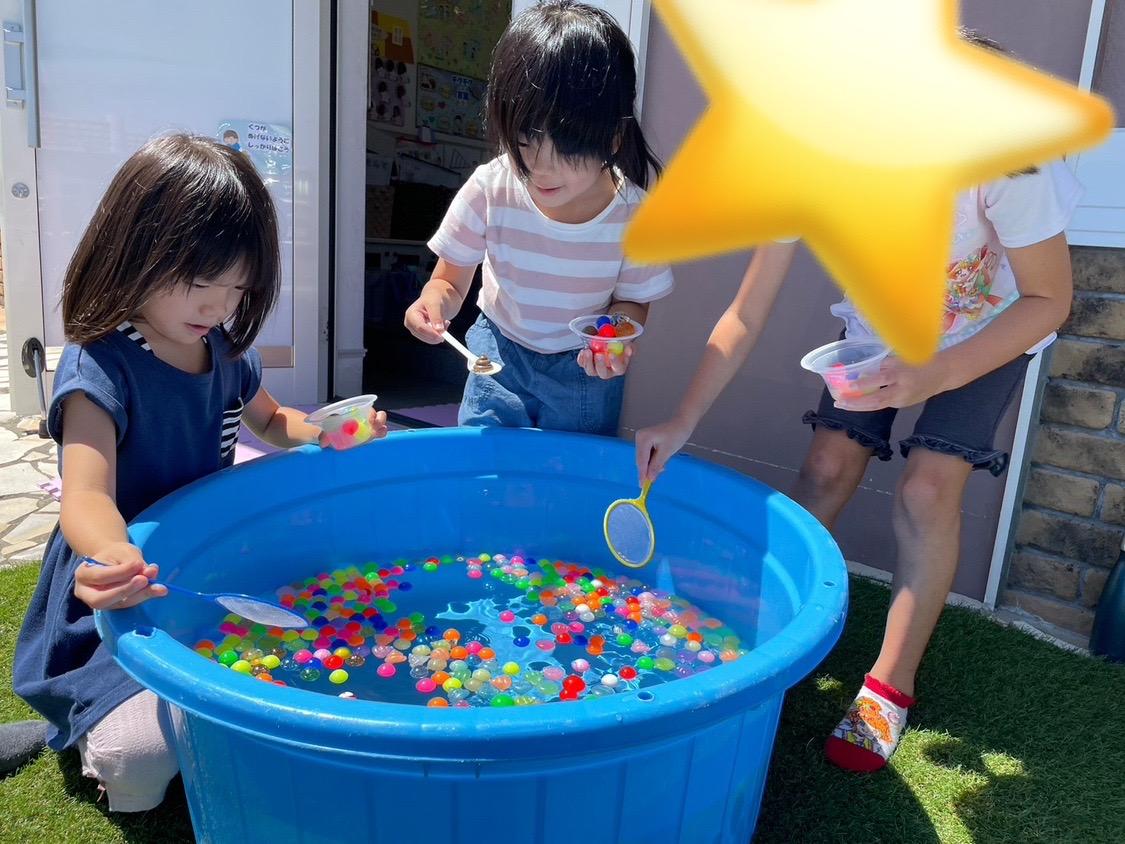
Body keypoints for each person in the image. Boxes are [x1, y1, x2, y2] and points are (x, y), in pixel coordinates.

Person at [635, 29, 1081, 773]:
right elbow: (745, 312)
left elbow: (1048, 300)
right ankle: (770, 638)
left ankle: (888, 684)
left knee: (926, 490)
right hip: (883, 327)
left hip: (990, 326)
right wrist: (683, 418)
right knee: (826, 466)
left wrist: (935, 374)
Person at [10, 133, 388, 810]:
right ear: (136, 252)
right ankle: (88, 730)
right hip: (128, 587)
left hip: (206, 566)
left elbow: (271, 420)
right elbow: (86, 496)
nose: (218, 307)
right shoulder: (102, 364)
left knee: (303, 651)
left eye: (237, 288)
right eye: (201, 284)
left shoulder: (223, 349)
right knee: (138, 766)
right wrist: (113, 554)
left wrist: (328, 431)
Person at [404, 0, 674, 435]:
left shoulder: (636, 218)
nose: (540, 166)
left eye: (566, 144)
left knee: (572, 466)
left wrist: (613, 339)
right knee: (486, 460)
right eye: (525, 139)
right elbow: (449, 283)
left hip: (582, 368)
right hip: (497, 352)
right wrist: (432, 304)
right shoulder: (490, 188)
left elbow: (632, 302)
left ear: (612, 137)